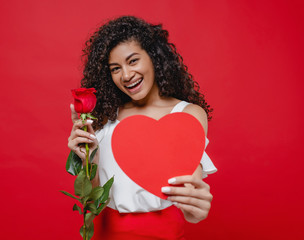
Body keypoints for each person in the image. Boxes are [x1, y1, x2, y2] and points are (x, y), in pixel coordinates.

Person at [67, 16, 217, 239]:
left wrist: (197, 209)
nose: (126, 75)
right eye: (115, 68)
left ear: (154, 58)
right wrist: (89, 159)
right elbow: (90, 202)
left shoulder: (186, 114)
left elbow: (189, 195)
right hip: (106, 234)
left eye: (133, 61)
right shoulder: (103, 118)